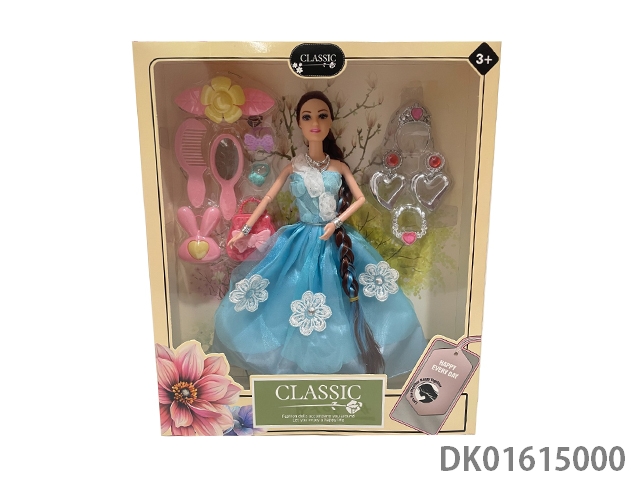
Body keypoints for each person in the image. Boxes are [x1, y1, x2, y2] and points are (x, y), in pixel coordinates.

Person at [212, 91, 427, 376]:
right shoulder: (293, 167)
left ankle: (346, 363)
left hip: (336, 239)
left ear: (331, 121)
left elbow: (360, 199)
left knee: (344, 301)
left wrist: (336, 222)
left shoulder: (338, 167)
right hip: (300, 241)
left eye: (322, 116)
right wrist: (245, 230)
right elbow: (267, 198)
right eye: (307, 117)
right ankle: (293, 365)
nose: (315, 123)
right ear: (299, 123)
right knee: (285, 296)